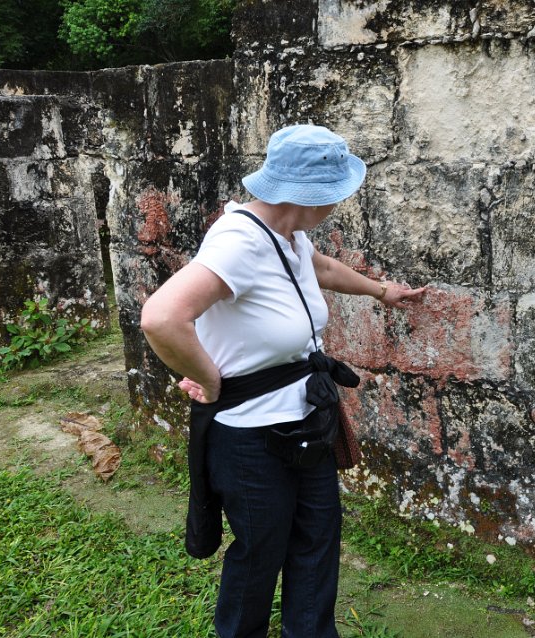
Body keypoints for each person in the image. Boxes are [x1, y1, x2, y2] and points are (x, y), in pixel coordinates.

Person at [140, 124, 425, 638]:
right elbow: (161, 318)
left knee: (317, 538)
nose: (339, 202)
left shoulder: (289, 235)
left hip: (306, 421)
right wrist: (208, 378)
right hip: (250, 437)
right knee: (260, 553)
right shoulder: (239, 242)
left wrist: (382, 291)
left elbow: (323, 268)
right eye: (335, 192)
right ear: (309, 195)